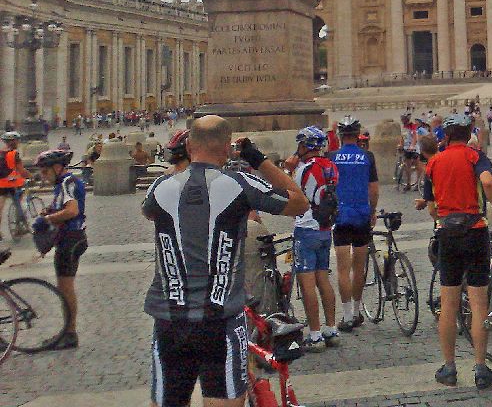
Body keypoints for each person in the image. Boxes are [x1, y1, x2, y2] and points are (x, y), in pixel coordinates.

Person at [142, 115, 307, 407]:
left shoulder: (159, 188)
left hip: (170, 319)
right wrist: (258, 159)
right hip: (221, 320)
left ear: (190, 145)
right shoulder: (239, 184)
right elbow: (299, 201)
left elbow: (151, 212)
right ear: (228, 150)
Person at [424, 113, 492, 389]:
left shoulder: (434, 162)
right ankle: (481, 368)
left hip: (447, 232)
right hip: (475, 230)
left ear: (446, 136)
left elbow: (431, 207)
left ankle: (449, 368)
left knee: (448, 303)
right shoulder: (475, 157)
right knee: (478, 303)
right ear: (468, 133)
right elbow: (487, 182)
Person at [290, 126, 340, 351]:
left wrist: (289, 169)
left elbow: (292, 193)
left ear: (304, 146)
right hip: (324, 228)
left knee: (307, 282)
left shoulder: (303, 169)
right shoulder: (331, 166)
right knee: (324, 279)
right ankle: (331, 328)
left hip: (306, 227)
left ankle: (315, 334)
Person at [34, 149, 87, 348]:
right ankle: (68, 331)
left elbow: (72, 210)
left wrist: (47, 219)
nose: (43, 175)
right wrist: (51, 212)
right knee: (64, 288)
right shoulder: (62, 184)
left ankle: (70, 333)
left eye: (45, 171)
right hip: (70, 238)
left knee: (65, 289)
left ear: (57, 168)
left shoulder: (67, 182)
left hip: (71, 239)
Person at [330, 115, 379, 332]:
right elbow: (374, 189)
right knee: (359, 267)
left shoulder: (331, 157)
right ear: (357, 135)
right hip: (361, 214)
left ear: (340, 135)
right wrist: (373, 210)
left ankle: (347, 314)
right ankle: (358, 311)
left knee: (342, 268)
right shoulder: (367, 156)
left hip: (340, 216)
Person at [0, 130, 28, 243]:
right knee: (18, 203)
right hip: (13, 184)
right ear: (15, 142)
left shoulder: (1, 152)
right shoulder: (14, 154)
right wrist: (32, 176)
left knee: (0, 207)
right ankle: (19, 227)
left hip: (1, 183)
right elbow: (22, 171)